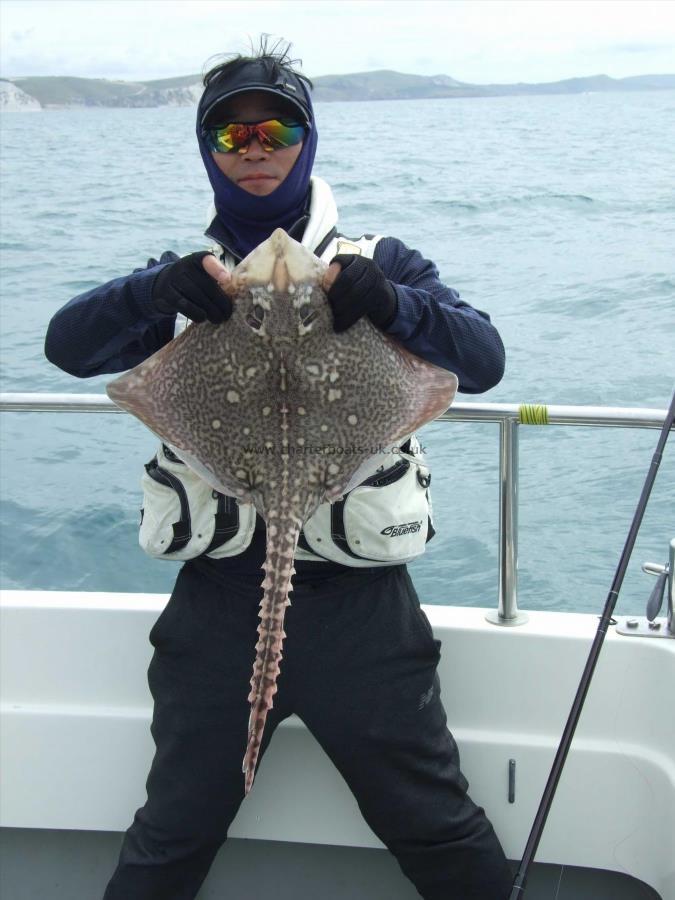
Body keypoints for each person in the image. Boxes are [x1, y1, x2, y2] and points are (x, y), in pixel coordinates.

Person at [45, 40, 512, 900]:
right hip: (218, 600)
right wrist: (151, 295)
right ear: (207, 149)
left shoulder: (384, 259)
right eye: (231, 135)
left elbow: (482, 359)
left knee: (437, 827)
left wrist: (389, 302)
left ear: (308, 138)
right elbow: (66, 346)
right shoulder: (187, 276)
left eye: (276, 127)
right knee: (171, 835)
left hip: (361, 615)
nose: (254, 147)